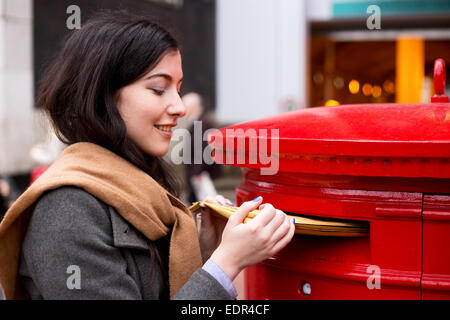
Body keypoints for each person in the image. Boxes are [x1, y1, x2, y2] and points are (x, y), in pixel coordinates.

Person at [0, 11, 294, 300]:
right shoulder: (68, 207)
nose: (179, 107)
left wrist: (207, 249)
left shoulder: (139, 183)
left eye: (178, 89)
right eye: (158, 88)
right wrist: (225, 264)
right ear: (102, 96)